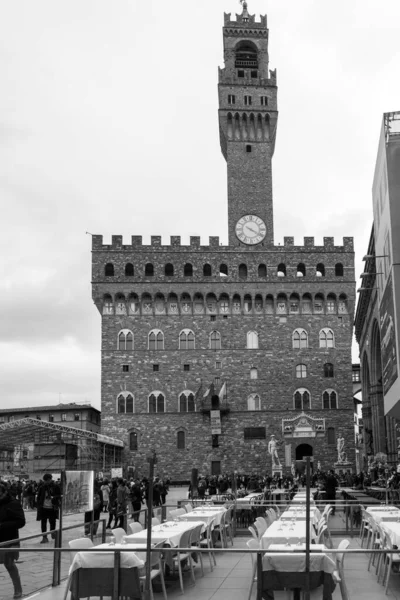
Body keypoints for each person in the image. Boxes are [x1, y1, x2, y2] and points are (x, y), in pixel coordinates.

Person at [0, 482, 26, 599]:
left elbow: (21, 522)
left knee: (9, 564)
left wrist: (2, 525)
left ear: (4, 491)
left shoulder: (13, 503)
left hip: (9, 538)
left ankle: (18, 590)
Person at [36, 473, 61, 543]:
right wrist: (38, 505)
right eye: (45, 481)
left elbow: (59, 495)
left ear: (50, 479)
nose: (45, 482)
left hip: (52, 508)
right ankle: (44, 537)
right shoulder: (42, 487)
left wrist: (53, 497)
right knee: (43, 523)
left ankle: (53, 534)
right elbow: (39, 497)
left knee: (52, 522)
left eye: (47, 480)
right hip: (43, 508)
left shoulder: (56, 486)